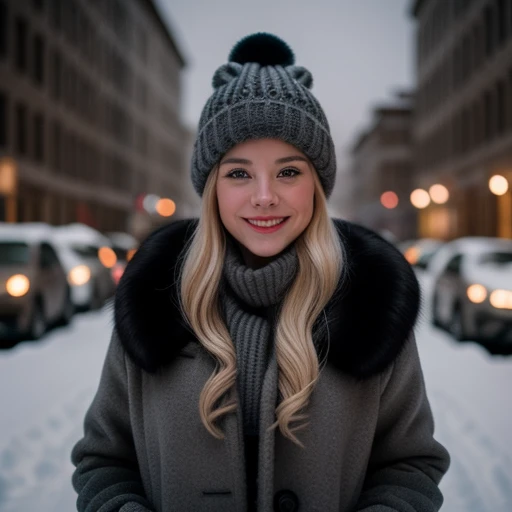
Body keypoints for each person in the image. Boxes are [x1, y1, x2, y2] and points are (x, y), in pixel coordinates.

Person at [71, 33, 450, 512]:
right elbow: (102, 461)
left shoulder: (370, 304)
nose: (265, 195)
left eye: (289, 172)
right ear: (212, 188)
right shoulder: (155, 299)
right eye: (238, 173)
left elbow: (410, 464)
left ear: (317, 184)